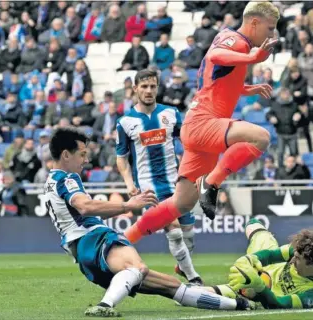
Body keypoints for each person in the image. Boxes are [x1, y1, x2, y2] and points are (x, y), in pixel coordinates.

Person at [43, 128, 254, 317]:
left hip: (83, 252)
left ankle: (238, 304)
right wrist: (129, 205)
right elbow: (85, 206)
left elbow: (84, 213)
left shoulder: (51, 182)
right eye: (82, 154)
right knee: (137, 268)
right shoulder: (67, 178)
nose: (86, 160)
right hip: (94, 239)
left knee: (172, 286)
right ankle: (105, 305)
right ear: (65, 154)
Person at [124, 1, 280, 244]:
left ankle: (125, 238)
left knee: (182, 203)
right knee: (261, 137)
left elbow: (217, 80)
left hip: (198, 126)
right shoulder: (237, 42)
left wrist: (247, 88)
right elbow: (215, 56)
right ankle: (211, 182)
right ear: (254, 22)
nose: (272, 34)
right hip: (204, 122)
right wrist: (252, 58)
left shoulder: (230, 38)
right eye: (270, 28)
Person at [116, 70, 201, 284]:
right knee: (174, 232)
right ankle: (193, 279)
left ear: (157, 88)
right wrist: (128, 183)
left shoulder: (171, 114)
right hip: (149, 189)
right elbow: (121, 158)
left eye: (152, 86)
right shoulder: (125, 122)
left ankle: (183, 268)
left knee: (188, 235)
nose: (148, 91)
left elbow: (188, 143)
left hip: (177, 184)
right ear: (135, 88)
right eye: (144, 87)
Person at [207, 218, 313, 309]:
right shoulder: (301, 250)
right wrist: (251, 259)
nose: (292, 260)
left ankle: (193, 290)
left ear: (311, 264)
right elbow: (270, 256)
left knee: (210, 292)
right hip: (270, 268)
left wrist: (260, 287)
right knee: (254, 225)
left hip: (269, 292)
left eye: (297, 259)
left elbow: (278, 304)